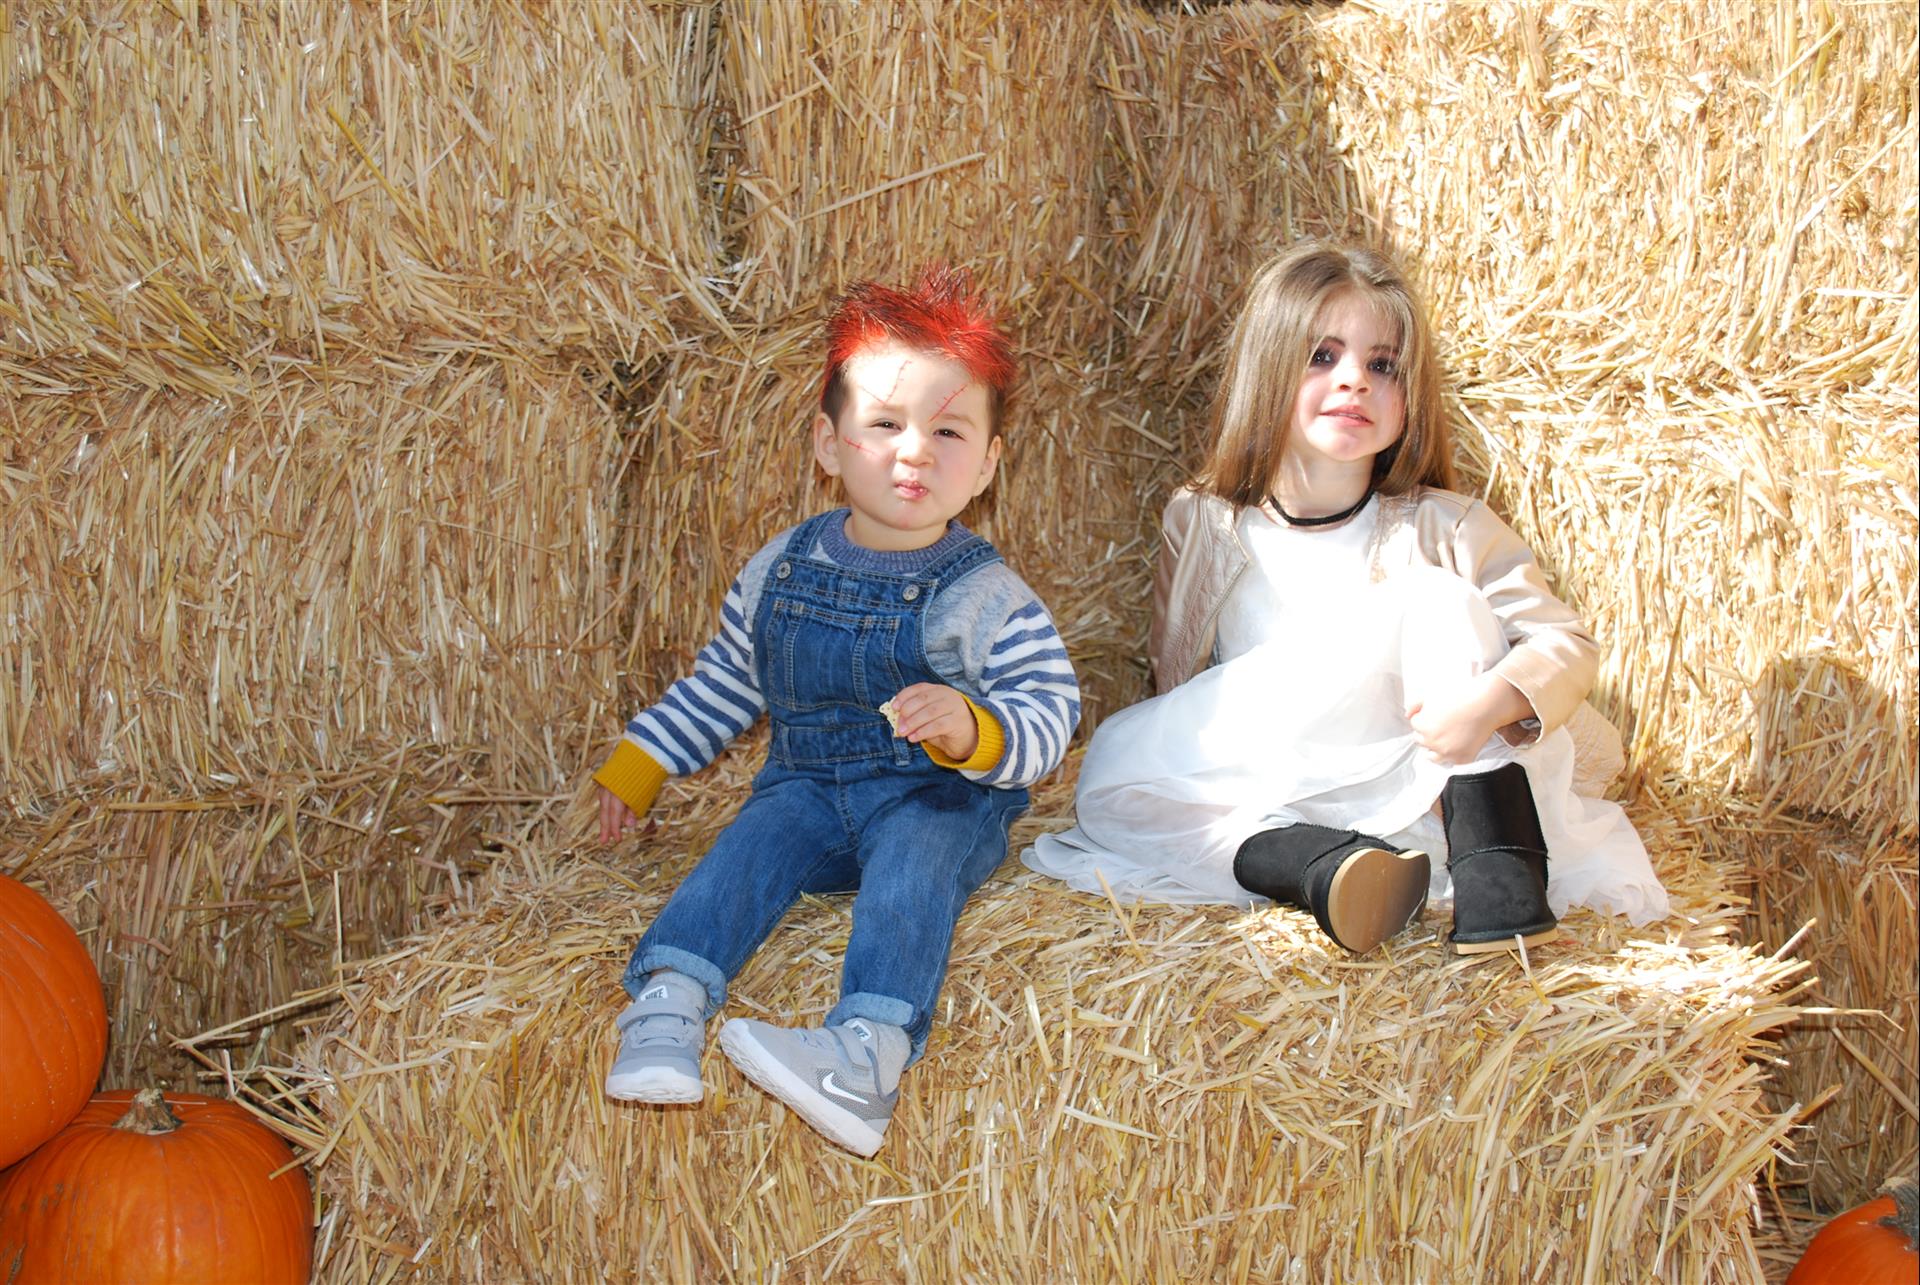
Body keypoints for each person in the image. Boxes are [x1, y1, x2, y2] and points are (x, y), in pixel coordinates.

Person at [1024, 240, 1667, 954]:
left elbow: (1564, 644)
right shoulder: (1202, 520)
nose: (1355, 380)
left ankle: (1500, 870)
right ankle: (1319, 868)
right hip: (1279, 783)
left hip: (1415, 772)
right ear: (1267, 370)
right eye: (1322, 356)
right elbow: (1180, 674)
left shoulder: (1447, 525)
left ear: (1408, 395)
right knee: (1111, 773)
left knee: (1435, 597)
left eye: (1382, 365)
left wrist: (1489, 705)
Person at [593, 267, 1079, 1156]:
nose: (915, 451)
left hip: (934, 797)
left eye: (949, 430)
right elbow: (726, 682)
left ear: (990, 463)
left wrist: (977, 731)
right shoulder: (780, 565)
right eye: (885, 424)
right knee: (744, 849)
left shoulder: (987, 597)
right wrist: (640, 761)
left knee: (914, 872)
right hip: (809, 786)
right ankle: (669, 999)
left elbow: (1052, 706)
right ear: (829, 442)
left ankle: (865, 1052)